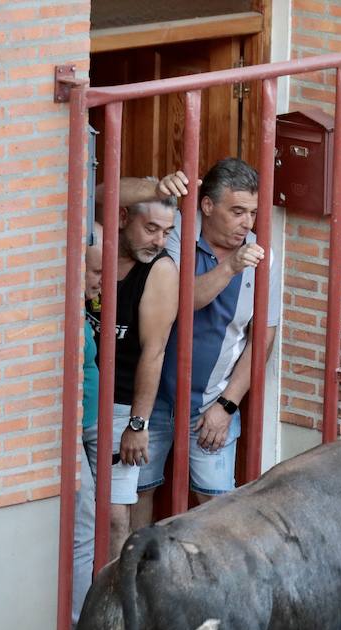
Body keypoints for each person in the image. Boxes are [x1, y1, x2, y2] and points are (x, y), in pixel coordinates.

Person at [119, 159, 282, 517]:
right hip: (153, 398)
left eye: (253, 212)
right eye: (237, 211)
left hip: (212, 403)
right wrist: (230, 267)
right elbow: (181, 301)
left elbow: (262, 338)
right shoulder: (176, 231)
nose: (247, 223)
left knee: (219, 509)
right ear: (207, 206)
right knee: (136, 500)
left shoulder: (262, 254)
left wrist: (227, 405)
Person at [84, 192, 180, 555]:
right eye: (151, 228)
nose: (158, 241)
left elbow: (153, 354)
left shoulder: (159, 271)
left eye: (166, 232)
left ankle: (115, 604)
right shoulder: (97, 245)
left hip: (121, 406)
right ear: (123, 217)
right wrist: (155, 184)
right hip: (77, 398)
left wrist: (137, 425)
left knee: (114, 515)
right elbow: (102, 184)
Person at [71, 225, 105, 623]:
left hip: (93, 426)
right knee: (83, 528)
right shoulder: (64, 312)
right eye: (96, 272)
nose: (103, 279)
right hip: (75, 432)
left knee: (101, 517)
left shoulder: (84, 304)